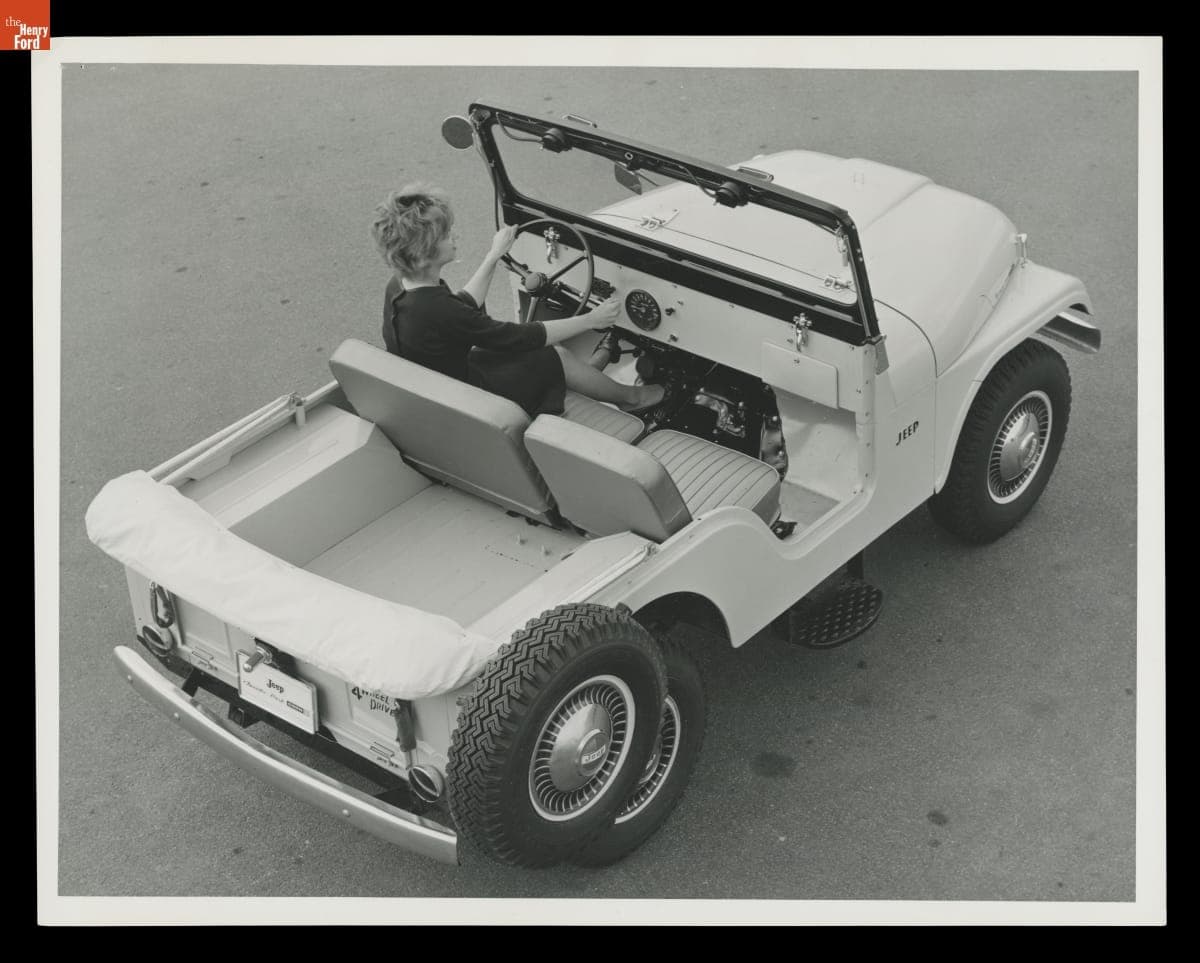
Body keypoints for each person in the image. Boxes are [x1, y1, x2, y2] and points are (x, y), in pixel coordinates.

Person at [370, 185, 666, 418]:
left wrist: (494, 256)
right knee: (553, 354)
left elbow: (463, 304)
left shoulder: (401, 286)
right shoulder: (437, 309)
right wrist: (592, 320)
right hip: (474, 397)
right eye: (446, 236)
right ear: (424, 254)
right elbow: (519, 337)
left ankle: (587, 374)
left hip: (446, 383)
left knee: (549, 354)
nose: (453, 236)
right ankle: (631, 399)